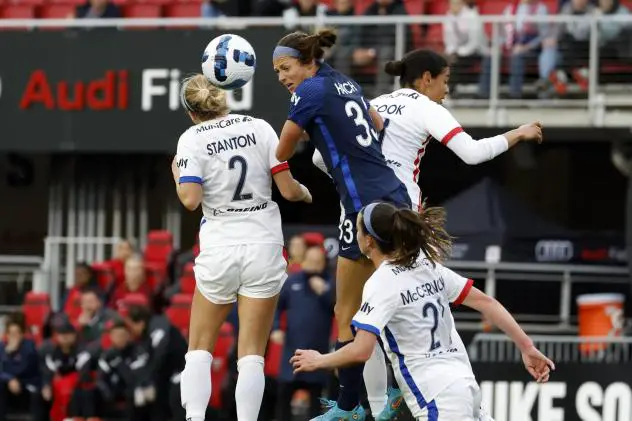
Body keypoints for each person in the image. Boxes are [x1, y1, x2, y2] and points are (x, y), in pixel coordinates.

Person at [290, 202, 555, 421]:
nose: (354, 234)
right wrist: (527, 346)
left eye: (357, 229)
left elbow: (361, 350)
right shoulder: (426, 264)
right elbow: (487, 302)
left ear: (368, 241)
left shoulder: (381, 283)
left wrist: (319, 360)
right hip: (465, 385)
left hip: (437, 397)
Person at [273, 28, 411, 420]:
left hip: (362, 208)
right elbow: (377, 124)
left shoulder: (310, 92)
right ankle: (393, 392)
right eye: (277, 72)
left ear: (307, 62)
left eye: (285, 68)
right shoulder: (345, 81)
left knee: (347, 309)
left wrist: (287, 181)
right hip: (393, 195)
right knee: (398, 299)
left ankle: (350, 406)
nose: (282, 78)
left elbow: (282, 149)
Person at [173, 74, 313, 421]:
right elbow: (289, 189)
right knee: (252, 353)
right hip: (263, 244)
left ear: (192, 112)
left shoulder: (191, 138)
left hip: (221, 245)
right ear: (225, 98)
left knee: (199, 349)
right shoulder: (261, 128)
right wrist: (306, 194)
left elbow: (190, 200)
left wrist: (177, 173)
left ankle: (194, 418)